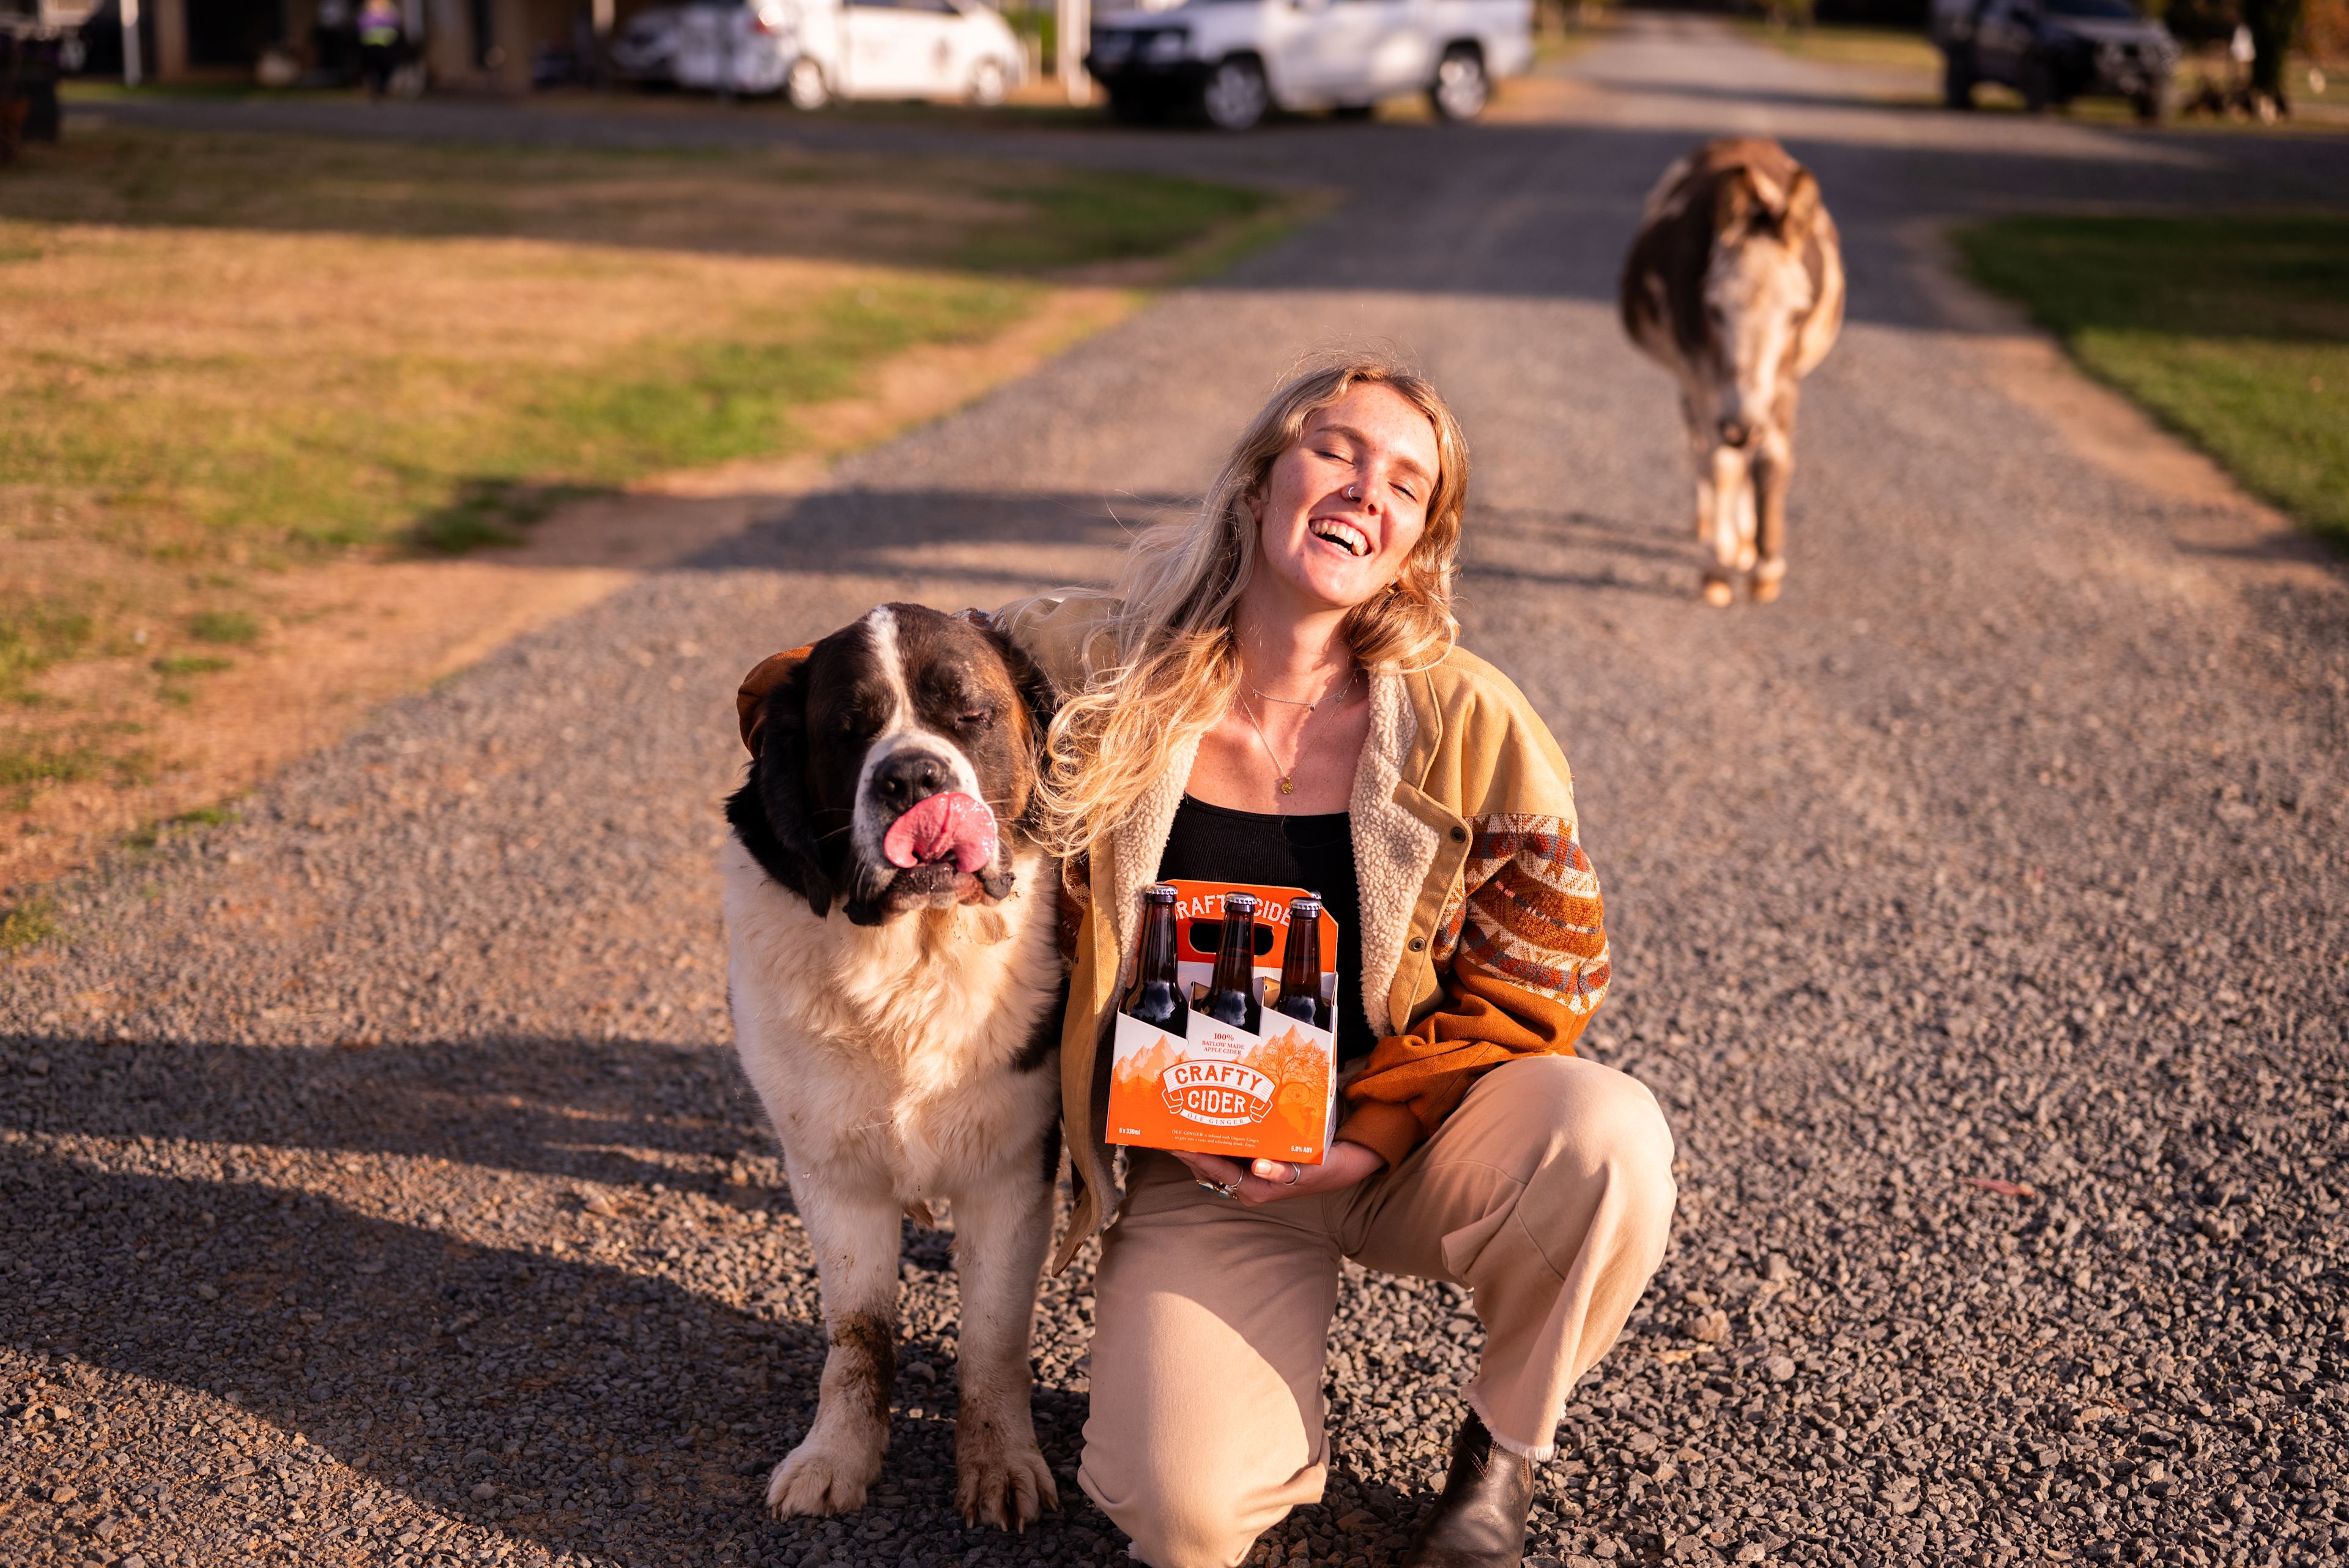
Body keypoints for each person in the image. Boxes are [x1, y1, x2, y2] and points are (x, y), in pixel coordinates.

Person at [996, 355, 1678, 1568]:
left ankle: (1500, 1461)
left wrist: (1367, 1134)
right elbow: (934, 682)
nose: (1367, 489)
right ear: (1263, 483)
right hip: (1197, 1165)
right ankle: (1252, 1408)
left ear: (1418, 547)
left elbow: (1545, 973)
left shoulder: (1476, 720)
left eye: (1407, 485)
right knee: (1181, 1512)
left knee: (1611, 1137)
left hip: (1407, 1142)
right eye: (1337, 451)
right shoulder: (1108, 676)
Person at [355, 0, 402, 97]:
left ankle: (380, 87)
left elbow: (396, 26)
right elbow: (360, 27)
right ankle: (377, 87)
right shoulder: (367, 12)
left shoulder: (390, 11)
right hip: (372, 47)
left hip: (385, 46)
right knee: (373, 69)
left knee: (384, 69)